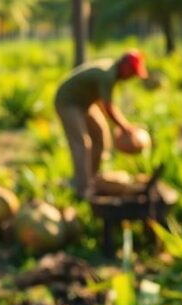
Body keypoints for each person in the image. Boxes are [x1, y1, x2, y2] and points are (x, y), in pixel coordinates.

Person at [54, 51, 148, 197]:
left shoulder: (112, 71)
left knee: (101, 136)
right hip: (68, 102)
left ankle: (92, 178)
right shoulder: (108, 75)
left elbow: (103, 103)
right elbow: (109, 107)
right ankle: (82, 189)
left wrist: (120, 125)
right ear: (125, 67)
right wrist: (126, 128)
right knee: (82, 143)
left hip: (85, 103)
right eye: (132, 73)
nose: (132, 77)